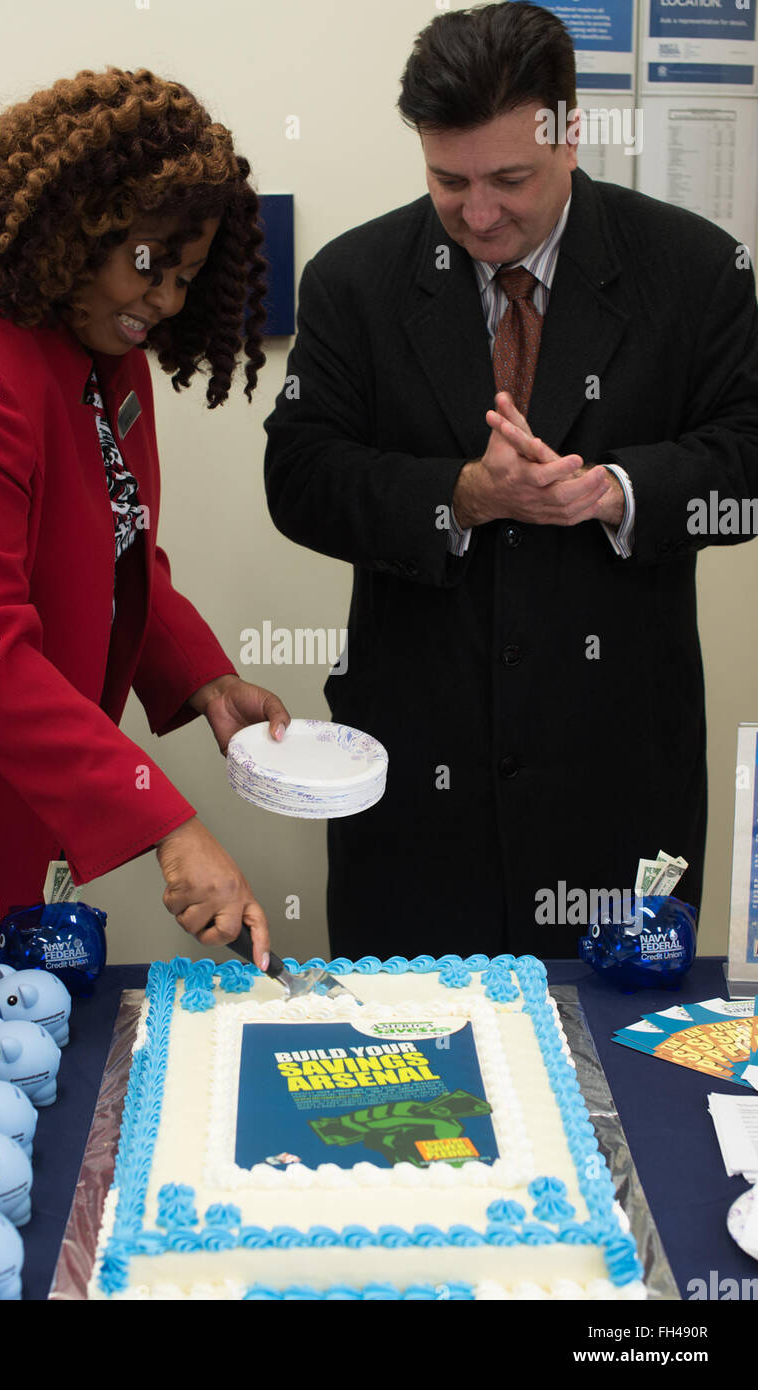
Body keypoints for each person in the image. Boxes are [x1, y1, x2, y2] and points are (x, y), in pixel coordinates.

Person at [263, 3, 758, 960]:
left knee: (619, 1085)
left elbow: (748, 454)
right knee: (409, 1069)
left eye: (510, 180)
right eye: (449, 181)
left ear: (571, 136)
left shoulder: (697, 270)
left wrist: (615, 489)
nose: (479, 213)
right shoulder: (353, 279)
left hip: (617, 779)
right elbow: (301, 475)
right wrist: (463, 495)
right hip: (413, 786)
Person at [0, 67, 290, 966]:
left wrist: (202, 680)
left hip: (1, 789)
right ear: (77, 228)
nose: (163, 303)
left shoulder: (98, 338)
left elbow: (117, 551)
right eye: (150, 268)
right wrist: (171, 826)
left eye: (186, 280)